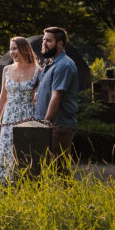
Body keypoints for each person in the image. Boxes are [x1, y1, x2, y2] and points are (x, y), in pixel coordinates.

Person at [0, 36, 39, 184]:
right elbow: (3, 95)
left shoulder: (38, 70)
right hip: (9, 116)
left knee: (25, 152)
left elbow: (41, 96)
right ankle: (3, 186)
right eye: (10, 48)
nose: (11, 52)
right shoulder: (6, 69)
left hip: (28, 116)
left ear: (24, 49)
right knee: (6, 152)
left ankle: (24, 185)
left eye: (15, 48)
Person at [34, 26, 79, 167]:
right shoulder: (50, 63)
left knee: (59, 170)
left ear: (60, 44)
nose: (44, 44)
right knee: (46, 170)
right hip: (45, 126)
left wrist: (46, 122)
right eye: (43, 40)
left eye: (49, 41)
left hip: (58, 127)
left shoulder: (64, 65)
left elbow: (56, 96)